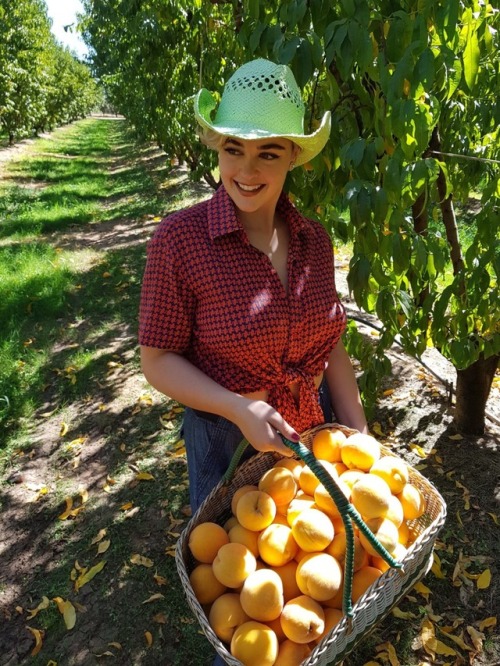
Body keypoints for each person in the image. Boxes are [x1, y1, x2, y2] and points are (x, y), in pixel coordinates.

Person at [139, 58, 368, 515]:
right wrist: (239, 410)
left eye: (268, 152)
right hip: (227, 438)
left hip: (311, 424)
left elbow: (330, 344)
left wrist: (361, 438)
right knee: (234, 570)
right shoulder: (181, 240)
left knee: (308, 563)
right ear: (216, 148)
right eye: (233, 148)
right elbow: (158, 360)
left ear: (293, 157)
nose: (246, 169)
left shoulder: (314, 241)